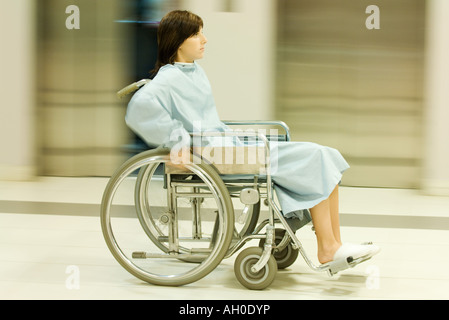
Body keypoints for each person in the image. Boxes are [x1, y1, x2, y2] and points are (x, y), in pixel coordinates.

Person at [125, 10, 380, 264]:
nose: (204, 39)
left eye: (202, 32)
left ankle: (334, 244)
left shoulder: (193, 71)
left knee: (326, 156)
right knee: (317, 158)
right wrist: (177, 144)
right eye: (195, 34)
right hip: (217, 156)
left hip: (227, 146)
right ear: (177, 40)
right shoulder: (169, 78)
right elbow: (138, 109)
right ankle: (327, 249)